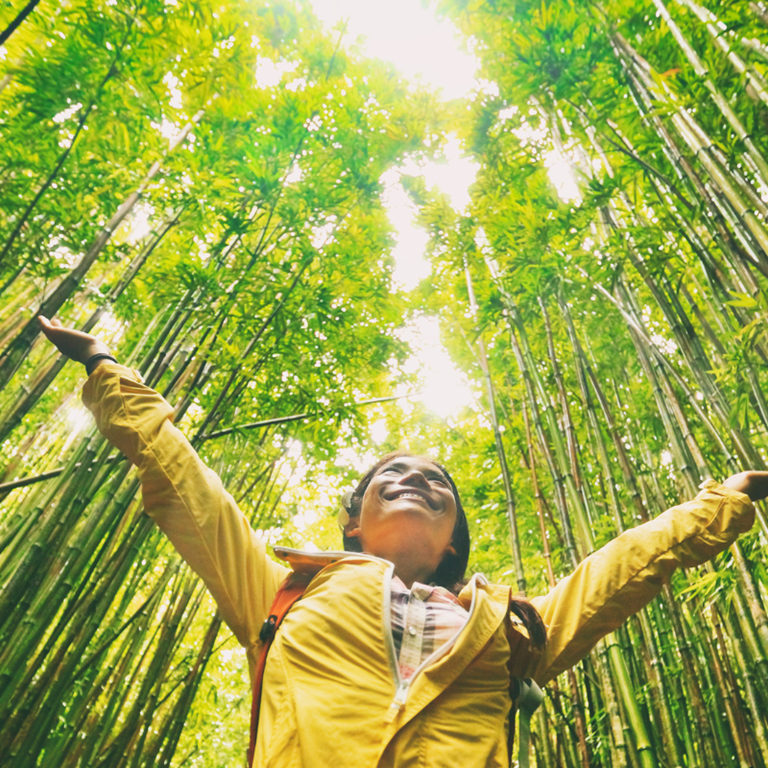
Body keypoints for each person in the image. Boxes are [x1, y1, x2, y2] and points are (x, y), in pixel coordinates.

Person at [39, 315, 762, 768]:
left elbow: (625, 568)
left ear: (453, 542)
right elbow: (186, 485)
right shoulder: (282, 592)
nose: (414, 479)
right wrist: (107, 369)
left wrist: (723, 500)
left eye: (434, 481)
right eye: (392, 474)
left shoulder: (515, 627)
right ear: (353, 523)